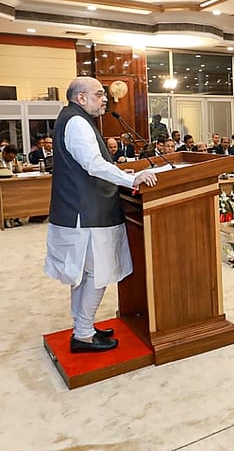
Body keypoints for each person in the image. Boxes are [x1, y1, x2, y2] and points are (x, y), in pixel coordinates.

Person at [45, 77, 158, 353]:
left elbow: (89, 165)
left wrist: (121, 174)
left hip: (81, 210)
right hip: (87, 213)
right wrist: (131, 180)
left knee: (85, 274)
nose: (105, 99)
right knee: (97, 273)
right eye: (99, 94)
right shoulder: (78, 122)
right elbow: (93, 164)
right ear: (81, 98)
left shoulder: (72, 118)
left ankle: (83, 327)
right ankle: (83, 334)